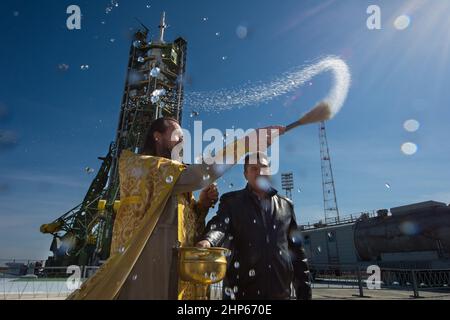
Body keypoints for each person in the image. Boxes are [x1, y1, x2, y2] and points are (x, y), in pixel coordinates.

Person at [68, 117, 285, 300]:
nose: (183, 141)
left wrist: (201, 206)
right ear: (157, 136)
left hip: (174, 266)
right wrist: (246, 143)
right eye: (177, 135)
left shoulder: (172, 179)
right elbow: (199, 175)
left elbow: (185, 225)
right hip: (147, 266)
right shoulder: (142, 165)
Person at [197, 152, 312, 300]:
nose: (260, 172)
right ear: (245, 174)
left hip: (280, 294)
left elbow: (298, 255)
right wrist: (208, 240)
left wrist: (305, 295)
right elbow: (220, 225)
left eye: (264, 167)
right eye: (254, 168)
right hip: (240, 296)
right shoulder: (232, 202)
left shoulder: (286, 205)